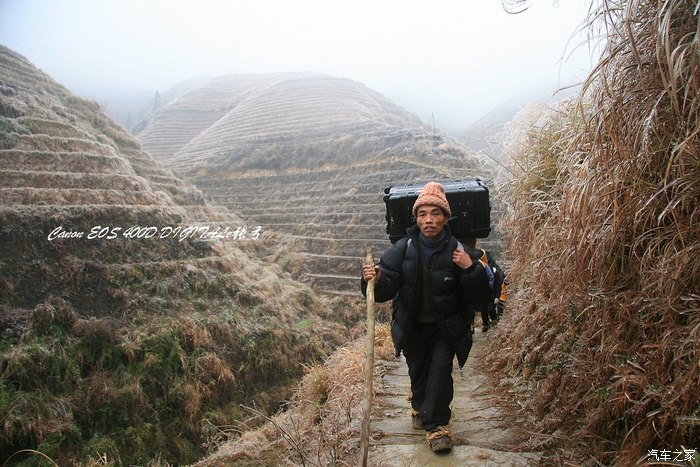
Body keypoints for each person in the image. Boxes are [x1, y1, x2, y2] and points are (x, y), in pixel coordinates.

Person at [361, 182, 491, 452]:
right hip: (413, 327)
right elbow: (385, 289)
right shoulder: (404, 248)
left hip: (446, 328)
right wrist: (375, 279)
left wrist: (470, 269)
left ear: (446, 218)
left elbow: (480, 299)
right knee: (418, 373)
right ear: (416, 219)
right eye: (422, 214)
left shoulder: (459, 251)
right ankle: (421, 407)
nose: (429, 220)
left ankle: (438, 428)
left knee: (441, 370)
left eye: (435, 213)